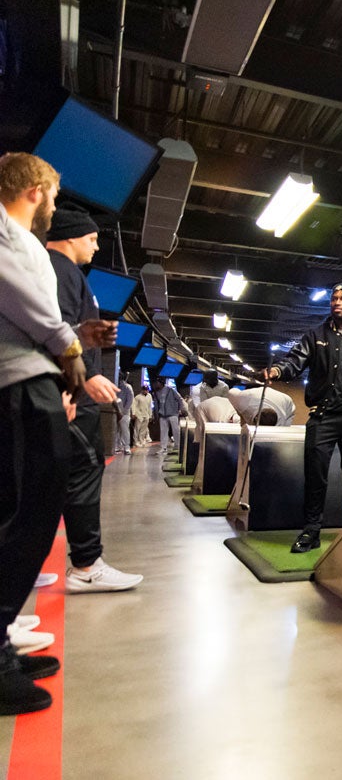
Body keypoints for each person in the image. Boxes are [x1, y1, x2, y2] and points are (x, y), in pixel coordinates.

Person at [0, 151, 116, 714]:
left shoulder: (18, 238)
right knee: (23, 514)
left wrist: (78, 341)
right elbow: (35, 310)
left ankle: (0, 647)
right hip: (19, 387)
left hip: (32, 380)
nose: (55, 205)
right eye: (52, 194)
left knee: (27, 513)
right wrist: (71, 349)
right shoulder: (6, 234)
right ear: (34, 190)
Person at [45, 204, 144, 594]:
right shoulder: (62, 271)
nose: (97, 247)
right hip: (69, 395)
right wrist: (76, 384)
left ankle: (21, 562)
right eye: (91, 238)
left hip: (63, 389)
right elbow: (59, 332)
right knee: (84, 471)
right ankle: (86, 565)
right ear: (69, 237)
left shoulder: (59, 271)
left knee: (44, 479)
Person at [263, 282, 342, 553]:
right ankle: (311, 532)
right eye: (334, 298)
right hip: (322, 417)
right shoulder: (315, 336)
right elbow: (294, 361)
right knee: (315, 476)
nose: (337, 302)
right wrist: (277, 371)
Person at [228, 384, 296, 427]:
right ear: (255, 418)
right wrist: (241, 415)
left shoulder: (282, 420)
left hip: (286, 402)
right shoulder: (244, 400)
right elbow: (231, 392)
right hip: (254, 395)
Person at [151, 375, 185, 453]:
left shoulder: (171, 390)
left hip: (173, 413)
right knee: (163, 431)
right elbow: (156, 405)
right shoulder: (156, 393)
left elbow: (179, 399)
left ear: (161, 383)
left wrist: (180, 409)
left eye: (157, 382)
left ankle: (177, 445)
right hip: (162, 415)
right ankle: (163, 447)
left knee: (175, 430)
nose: (156, 384)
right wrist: (156, 414)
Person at [114, 370, 134, 455]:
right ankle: (117, 446)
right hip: (115, 412)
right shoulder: (114, 386)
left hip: (125, 414)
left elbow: (130, 400)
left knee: (125, 430)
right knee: (116, 431)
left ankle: (127, 447)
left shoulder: (127, 387)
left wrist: (123, 411)